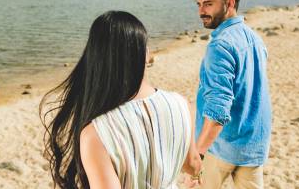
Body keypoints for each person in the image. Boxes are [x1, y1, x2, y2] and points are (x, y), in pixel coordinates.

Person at [40, 11, 202, 189]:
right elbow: (192, 164)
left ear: (95, 59)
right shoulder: (181, 104)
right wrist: (194, 178)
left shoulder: (96, 133)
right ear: (146, 55)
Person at [193, 0, 272, 189]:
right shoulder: (255, 38)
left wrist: (197, 153)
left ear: (230, 3)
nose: (201, 11)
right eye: (199, 4)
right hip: (254, 144)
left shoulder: (219, 46)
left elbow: (218, 110)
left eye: (208, 4)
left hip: (222, 147)